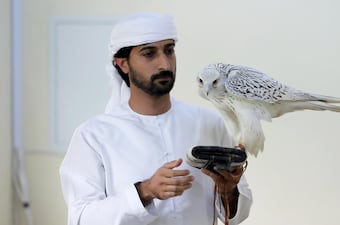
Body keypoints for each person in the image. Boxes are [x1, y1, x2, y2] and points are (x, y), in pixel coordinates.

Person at [59, 12, 252, 225]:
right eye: (149, 54)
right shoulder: (93, 135)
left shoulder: (208, 123)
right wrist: (145, 191)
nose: (164, 64)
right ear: (123, 64)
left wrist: (229, 190)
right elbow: (81, 218)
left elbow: (236, 214)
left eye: (169, 50)